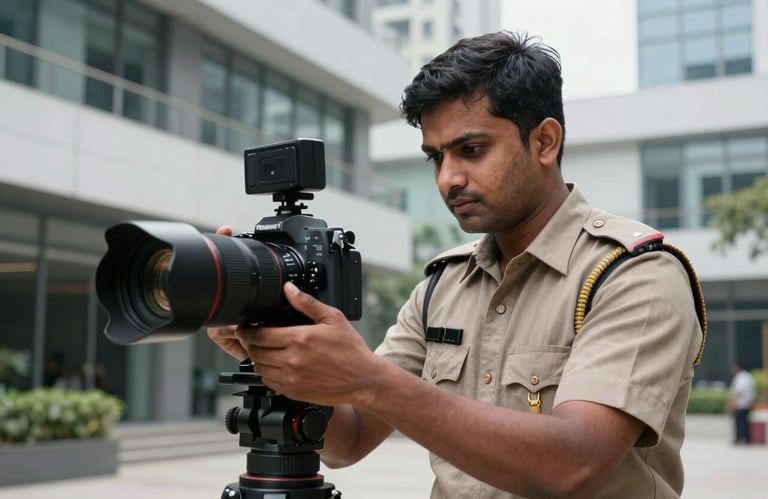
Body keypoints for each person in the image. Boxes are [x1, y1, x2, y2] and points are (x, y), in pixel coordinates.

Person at [209, 31, 704, 498]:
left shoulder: (634, 274)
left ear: (544, 142)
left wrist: (369, 378)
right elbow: (349, 439)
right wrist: (274, 353)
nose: (448, 178)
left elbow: (575, 463)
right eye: (435, 158)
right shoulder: (442, 286)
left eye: (471, 150)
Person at [729, 362, 756, 445]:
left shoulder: (741, 377)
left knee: (740, 423)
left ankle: (741, 438)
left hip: (740, 404)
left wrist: (733, 403)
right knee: (744, 422)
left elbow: (738, 392)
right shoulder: (749, 376)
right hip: (747, 404)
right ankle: (745, 438)